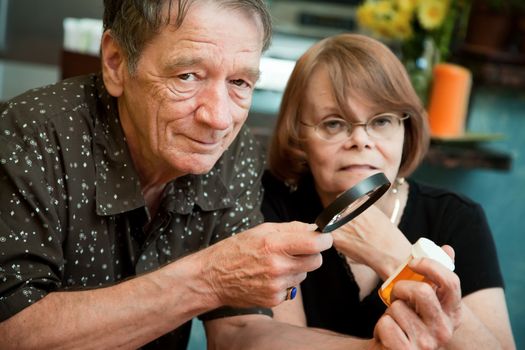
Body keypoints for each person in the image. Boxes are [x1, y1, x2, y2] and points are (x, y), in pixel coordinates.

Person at [0, 1, 461, 348]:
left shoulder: (233, 152)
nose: (219, 118)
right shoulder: (29, 135)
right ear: (117, 63)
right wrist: (209, 278)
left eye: (240, 82)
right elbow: (11, 330)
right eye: (187, 76)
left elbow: (240, 329)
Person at [262, 33, 516, 349]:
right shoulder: (272, 205)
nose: (361, 140)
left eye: (381, 121)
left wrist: (395, 256)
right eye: (334, 124)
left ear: (405, 131)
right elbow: (269, 340)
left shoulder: (457, 217)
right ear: (298, 135)